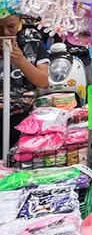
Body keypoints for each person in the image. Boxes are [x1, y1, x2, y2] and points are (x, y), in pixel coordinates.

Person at [0, 13, 50, 157]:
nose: (5, 33)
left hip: (24, 118)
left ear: (20, 23)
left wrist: (21, 60)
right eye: (0, 28)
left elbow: (43, 81)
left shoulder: (32, 43)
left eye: (11, 26)